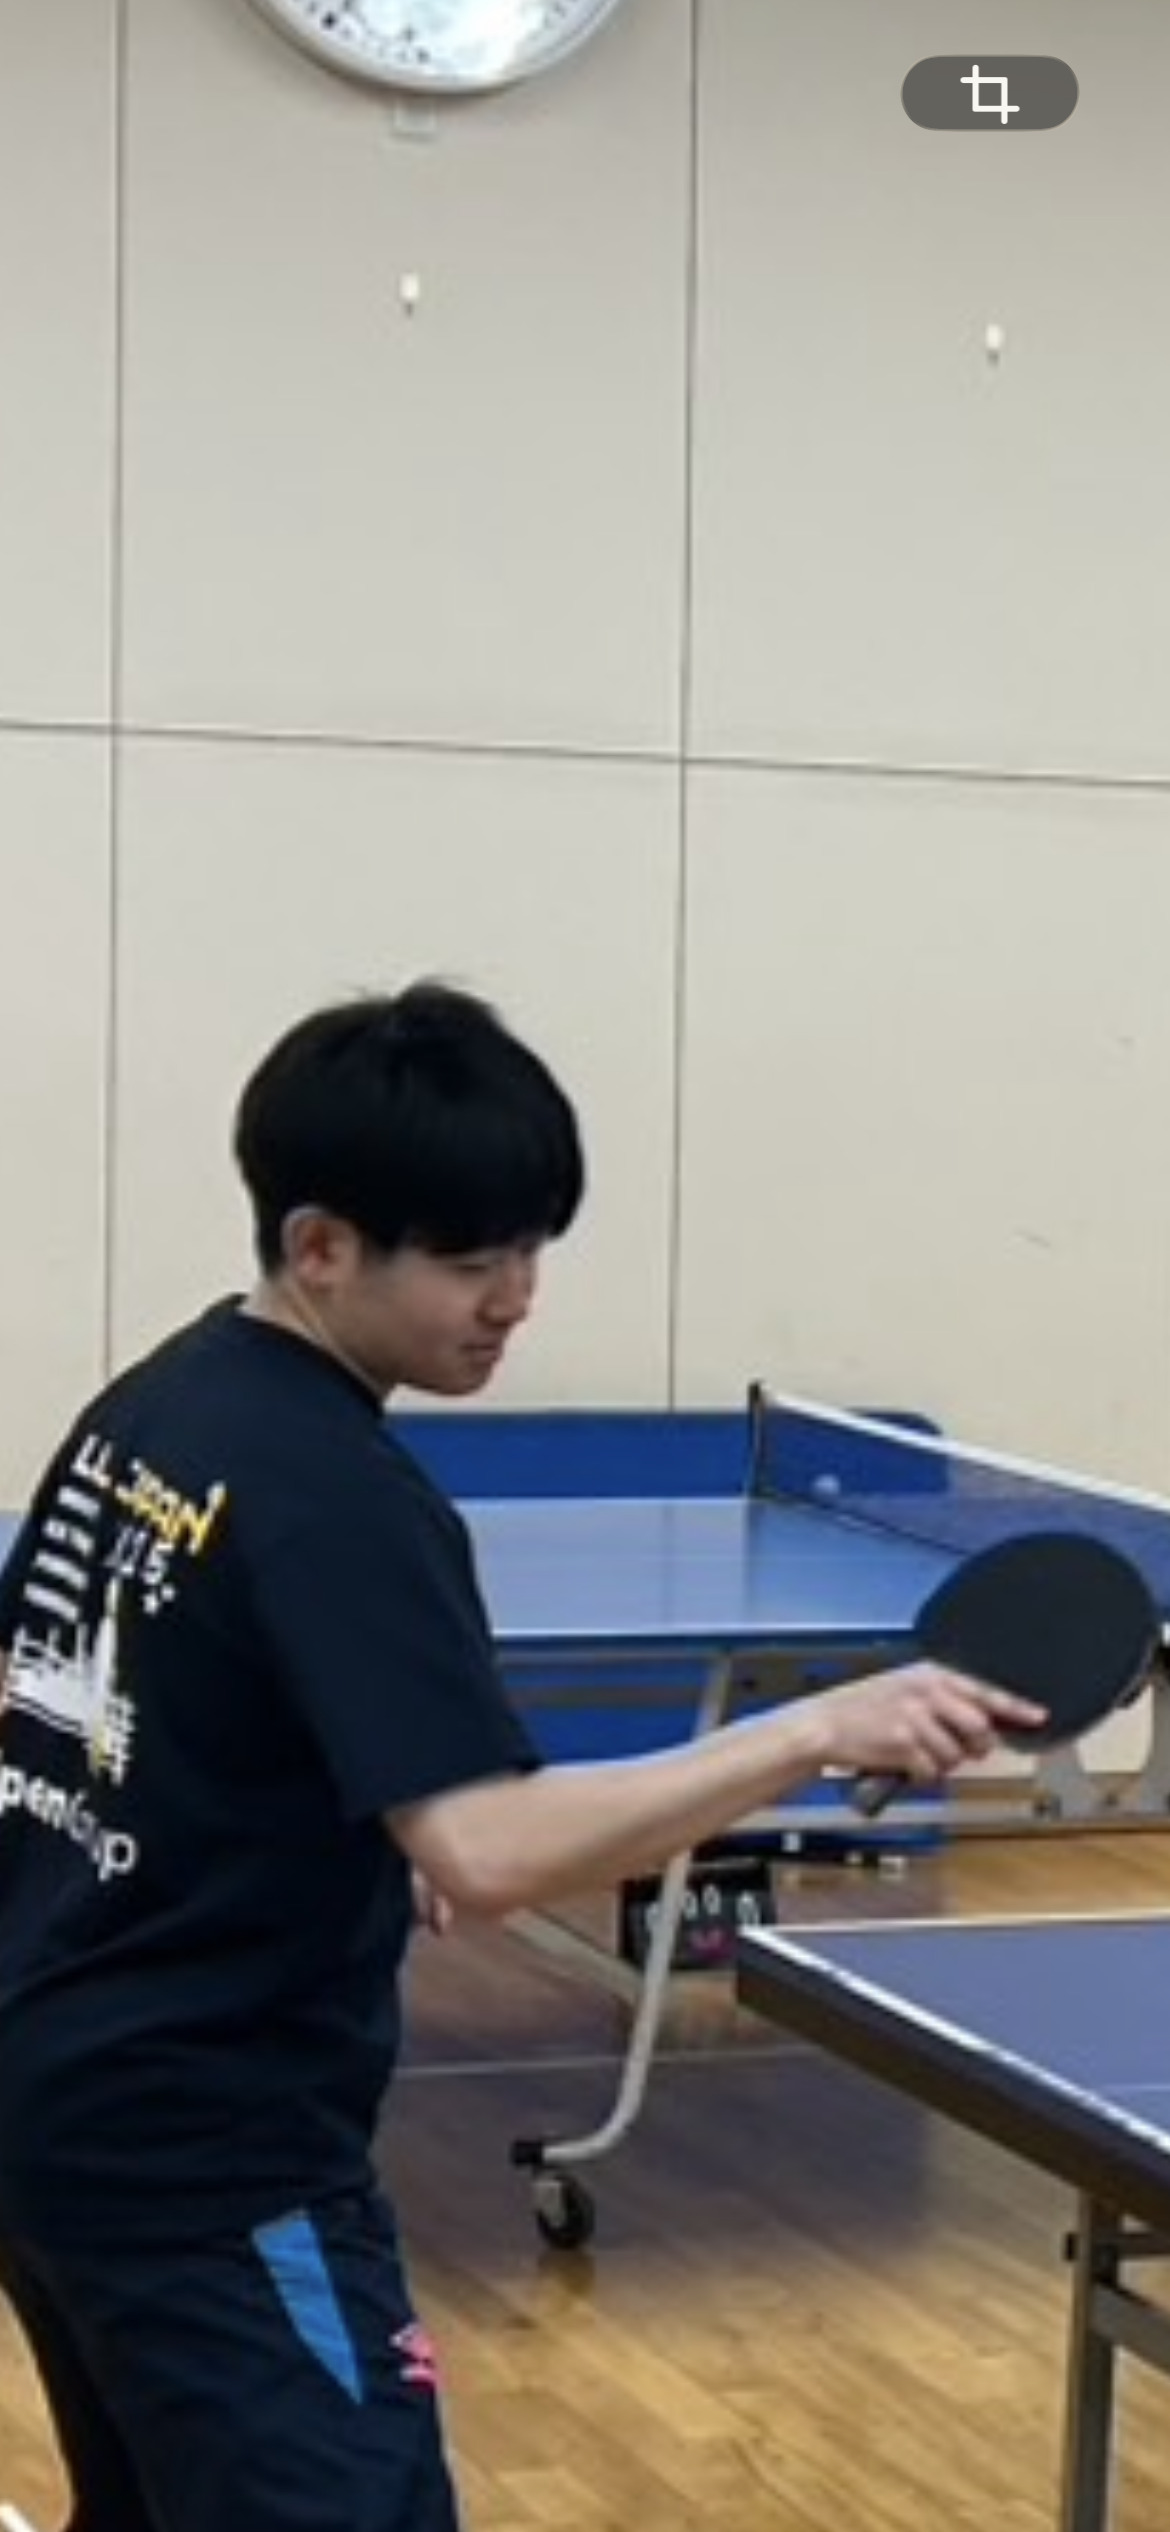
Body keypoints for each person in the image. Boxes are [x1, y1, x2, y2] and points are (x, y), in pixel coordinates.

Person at [0, 981, 1042, 2532]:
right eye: (469, 1261)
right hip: (210, 2156)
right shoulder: (341, 1497)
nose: (514, 1299)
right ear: (320, 1246)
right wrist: (818, 1729)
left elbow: (94, 1708)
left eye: (531, 1251)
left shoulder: (158, 1406)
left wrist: (353, 1833)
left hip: (53, 2093)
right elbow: (487, 1857)